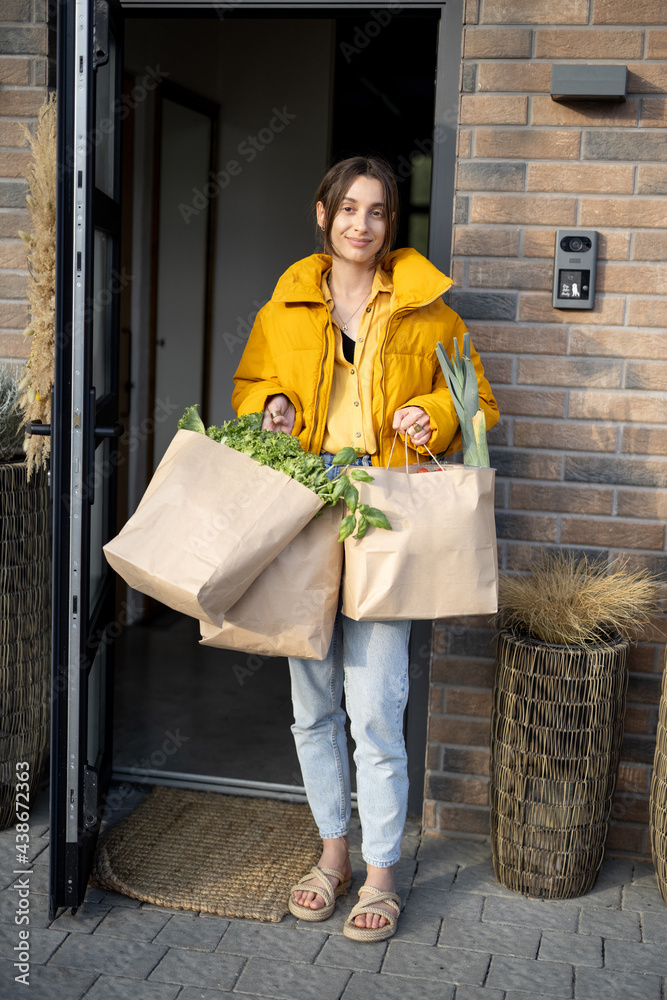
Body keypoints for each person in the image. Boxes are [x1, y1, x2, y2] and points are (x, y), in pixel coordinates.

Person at [232, 155, 498, 942]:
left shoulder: (428, 311)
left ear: (390, 224)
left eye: (376, 211)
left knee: (375, 705)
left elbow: (472, 399)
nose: (361, 223)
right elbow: (250, 387)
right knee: (310, 706)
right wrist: (271, 404)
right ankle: (332, 855)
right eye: (347, 208)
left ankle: (383, 871)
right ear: (323, 214)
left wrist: (430, 417)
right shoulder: (283, 307)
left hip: (385, 513)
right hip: (305, 507)